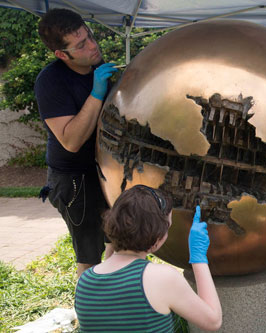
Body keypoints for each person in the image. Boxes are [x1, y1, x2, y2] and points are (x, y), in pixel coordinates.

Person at [35, 8, 117, 277]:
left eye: (90, 36)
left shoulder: (96, 65)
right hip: (73, 179)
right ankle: (89, 317)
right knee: (89, 257)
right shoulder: (50, 82)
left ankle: (113, 299)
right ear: (62, 54)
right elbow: (71, 140)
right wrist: (96, 93)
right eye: (81, 45)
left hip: (105, 171)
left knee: (119, 240)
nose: (93, 45)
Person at [75, 185, 222, 332]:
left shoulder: (84, 281)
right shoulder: (162, 278)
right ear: (157, 236)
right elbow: (213, 322)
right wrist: (198, 258)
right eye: (167, 227)